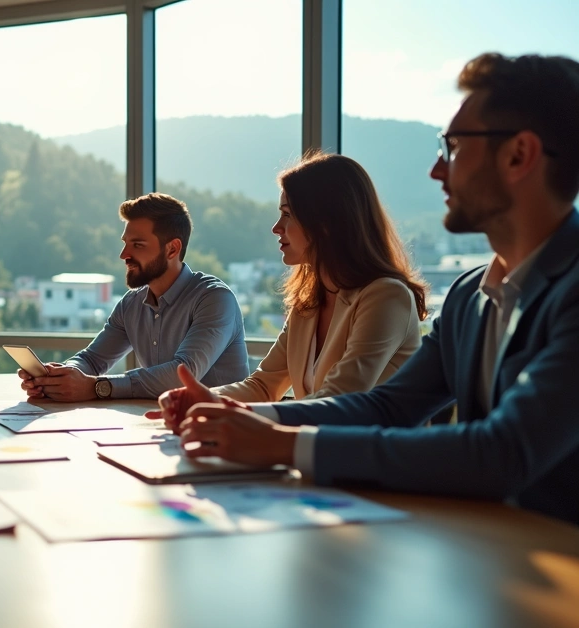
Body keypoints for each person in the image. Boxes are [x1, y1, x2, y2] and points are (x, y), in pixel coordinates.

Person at [155, 53, 579, 524]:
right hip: (486, 549)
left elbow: (503, 452)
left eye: (454, 147)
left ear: (519, 155)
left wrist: (281, 441)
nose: (436, 171)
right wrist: (245, 419)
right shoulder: (467, 295)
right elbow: (389, 404)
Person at [209, 151, 427, 404]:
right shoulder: (308, 302)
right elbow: (263, 386)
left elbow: (340, 400)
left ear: (326, 222)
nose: (276, 227)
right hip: (315, 441)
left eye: (288, 214)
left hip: (368, 444)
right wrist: (197, 397)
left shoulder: (386, 296)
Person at [20, 192, 249, 401]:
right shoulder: (131, 303)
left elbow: (182, 374)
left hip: (223, 435)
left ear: (172, 249)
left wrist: (96, 387)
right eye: (125, 244)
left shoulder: (215, 299)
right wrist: (59, 377)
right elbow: (91, 360)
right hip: (162, 427)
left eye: (137, 245)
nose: (124, 255)